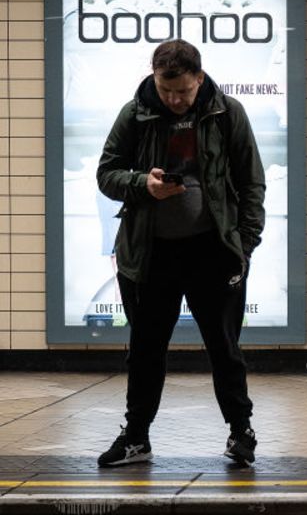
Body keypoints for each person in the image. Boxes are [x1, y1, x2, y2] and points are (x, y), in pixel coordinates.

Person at [96, 39, 266, 467]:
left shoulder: (227, 113)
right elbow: (106, 174)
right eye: (166, 89)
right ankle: (137, 438)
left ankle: (241, 433)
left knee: (224, 347)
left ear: (200, 79)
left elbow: (251, 182)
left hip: (213, 251)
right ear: (154, 76)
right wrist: (142, 184)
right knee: (146, 349)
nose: (174, 100)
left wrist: (243, 243)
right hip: (151, 255)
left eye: (183, 92)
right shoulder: (135, 114)